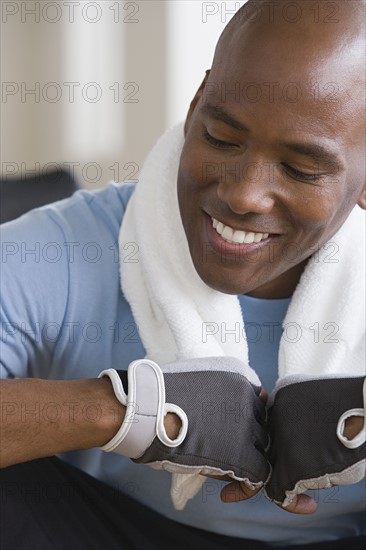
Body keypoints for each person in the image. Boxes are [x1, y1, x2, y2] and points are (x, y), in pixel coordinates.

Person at [1, 0, 365, 548]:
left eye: (301, 169)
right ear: (196, 103)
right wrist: (129, 411)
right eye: (220, 138)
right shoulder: (66, 246)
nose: (242, 193)